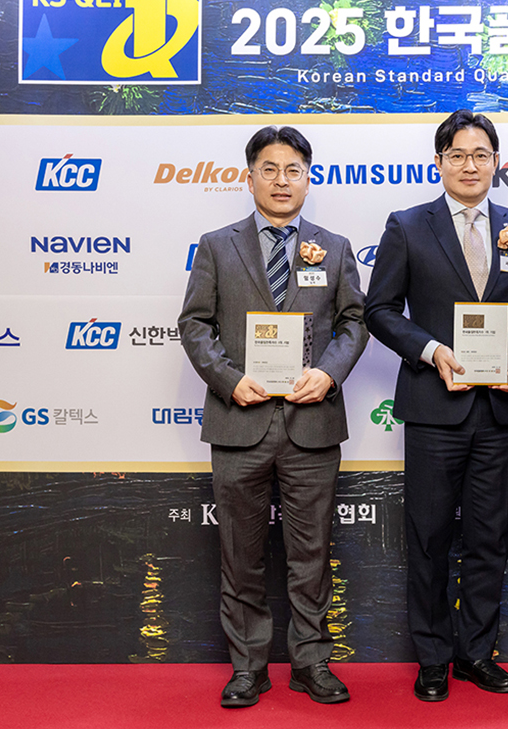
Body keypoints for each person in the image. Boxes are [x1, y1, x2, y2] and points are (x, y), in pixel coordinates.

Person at [365, 109, 508, 702]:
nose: (469, 165)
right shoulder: (407, 226)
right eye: (457, 155)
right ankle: (433, 657)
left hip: (498, 409)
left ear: (497, 162)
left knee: (489, 537)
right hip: (433, 408)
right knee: (428, 537)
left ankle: (476, 653)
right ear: (439, 162)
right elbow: (380, 310)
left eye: (480, 155)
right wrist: (430, 351)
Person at [179, 126, 368, 707]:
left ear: (308, 178)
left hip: (312, 424)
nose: (282, 180)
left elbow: (354, 322)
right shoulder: (217, 245)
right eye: (270, 168)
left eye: (293, 170)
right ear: (249, 176)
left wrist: (329, 373)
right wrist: (229, 381)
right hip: (240, 422)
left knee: (312, 555)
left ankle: (311, 661)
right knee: (241, 556)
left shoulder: (335, 247)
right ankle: (248, 667)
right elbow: (194, 324)